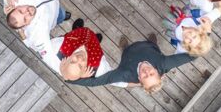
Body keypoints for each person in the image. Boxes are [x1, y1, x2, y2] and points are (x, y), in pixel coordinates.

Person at [68, 37, 196, 93]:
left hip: (128, 54)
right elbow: (191, 56)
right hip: (149, 48)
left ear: (139, 79)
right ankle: (152, 42)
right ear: (158, 72)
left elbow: (97, 82)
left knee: (126, 50)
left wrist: (72, 79)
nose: (146, 71)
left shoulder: (125, 75)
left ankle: (124, 47)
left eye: (145, 76)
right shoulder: (163, 64)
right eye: (151, 73)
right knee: (152, 44)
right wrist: (203, 34)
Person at [5, 0, 70, 62]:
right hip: (55, 12)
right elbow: (35, 46)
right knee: (61, 14)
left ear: (16, 7)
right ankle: (63, 16)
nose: (27, 13)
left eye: (21, 11)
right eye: (25, 19)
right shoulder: (37, 32)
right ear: (26, 25)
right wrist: (21, 33)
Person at [44, 21, 113, 81]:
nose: (79, 59)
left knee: (76, 33)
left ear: (66, 60)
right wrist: (81, 77)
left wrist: (62, 72)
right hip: (92, 47)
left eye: (73, 61)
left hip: (78, 36)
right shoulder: (99, 66)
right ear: (84, 70)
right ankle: (95, 40)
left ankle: (77, 29)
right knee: (94, 42)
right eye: (80, 66)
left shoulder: (60, 47)